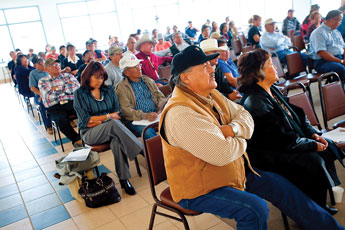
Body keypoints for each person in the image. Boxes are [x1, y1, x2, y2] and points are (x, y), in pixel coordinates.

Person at [160, 45, 345, 230]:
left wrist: (231, 131)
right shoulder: (181, 114)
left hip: (231, 171)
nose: (212, 68)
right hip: (199, 188)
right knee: (254, 210)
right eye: (204, 66)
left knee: (284, 188)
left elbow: (244, 115)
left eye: (210, 64)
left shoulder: (210, 93)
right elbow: (223, 153)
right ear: (185, 78)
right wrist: (242, 137)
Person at [238, 48, 345, 215]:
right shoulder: (255, 101)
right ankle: (311, 209)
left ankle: (318, 198)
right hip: (269, 154)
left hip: (285, 142)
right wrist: (312, 145)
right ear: (258, 72)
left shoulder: (270, 89)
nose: (275, 67)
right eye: (270, 64)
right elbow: (279, 140)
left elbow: (298, 116)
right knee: (312, 159)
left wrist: (312, 134)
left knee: (328, 145)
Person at [73, 61, 142, 195]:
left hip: (111, 129)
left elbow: (118, 113)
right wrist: (108, 117)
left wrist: (100, 119)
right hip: (90, 133)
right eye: (96, 77)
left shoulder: (109, 90)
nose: (100, 81)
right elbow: (86, 120)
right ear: (87, 76)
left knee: (116, 140)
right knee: (112, 124)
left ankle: (124, 179)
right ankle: (140, 150)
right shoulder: (79, 94)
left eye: (102, 77)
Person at [117, 54, 166, 139]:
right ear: (126, 72)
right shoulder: (122, 88)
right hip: (138, 120)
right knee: (147, 133)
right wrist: (145, 115)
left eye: (139, 65)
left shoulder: (147, 80)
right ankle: (158, 151)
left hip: (155, 114)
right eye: (135, 67)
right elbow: (126, 111)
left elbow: (160, 97)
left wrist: (161, 108)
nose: (139, 68)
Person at [38, 58, 82, 147]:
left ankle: (86, 135)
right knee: (60, 119)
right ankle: (77, 139)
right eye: (53, 65)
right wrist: (66, 87)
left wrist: (56, 89)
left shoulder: (68, 76)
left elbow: (76, 88)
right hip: (55, 107)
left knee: (85, 111)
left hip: (71, 103)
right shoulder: (42, 81)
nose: (56, 67)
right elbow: (48, 96)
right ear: (46, 69)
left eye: (57, 64)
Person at [309, 10, 345, 85]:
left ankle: (338, 89)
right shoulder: (318, 33)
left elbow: (343, 47)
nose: (340, 23)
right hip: (323, 62)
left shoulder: (336, 32)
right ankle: (339, 92)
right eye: (340, 21)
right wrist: (341, 61)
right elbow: (322, 53)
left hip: (338, 58)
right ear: (333, 19)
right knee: (341, 69)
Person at [29, 56, 52, 134]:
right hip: (39, 95)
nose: (42, 65)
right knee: (43, 104)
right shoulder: (33, 73)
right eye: (40, 64)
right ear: (35, 65)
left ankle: (68, 119)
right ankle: (48, 125)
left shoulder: (48, 70)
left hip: (52, 92)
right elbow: (32, 87)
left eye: (43, 63)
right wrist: (41, 94)